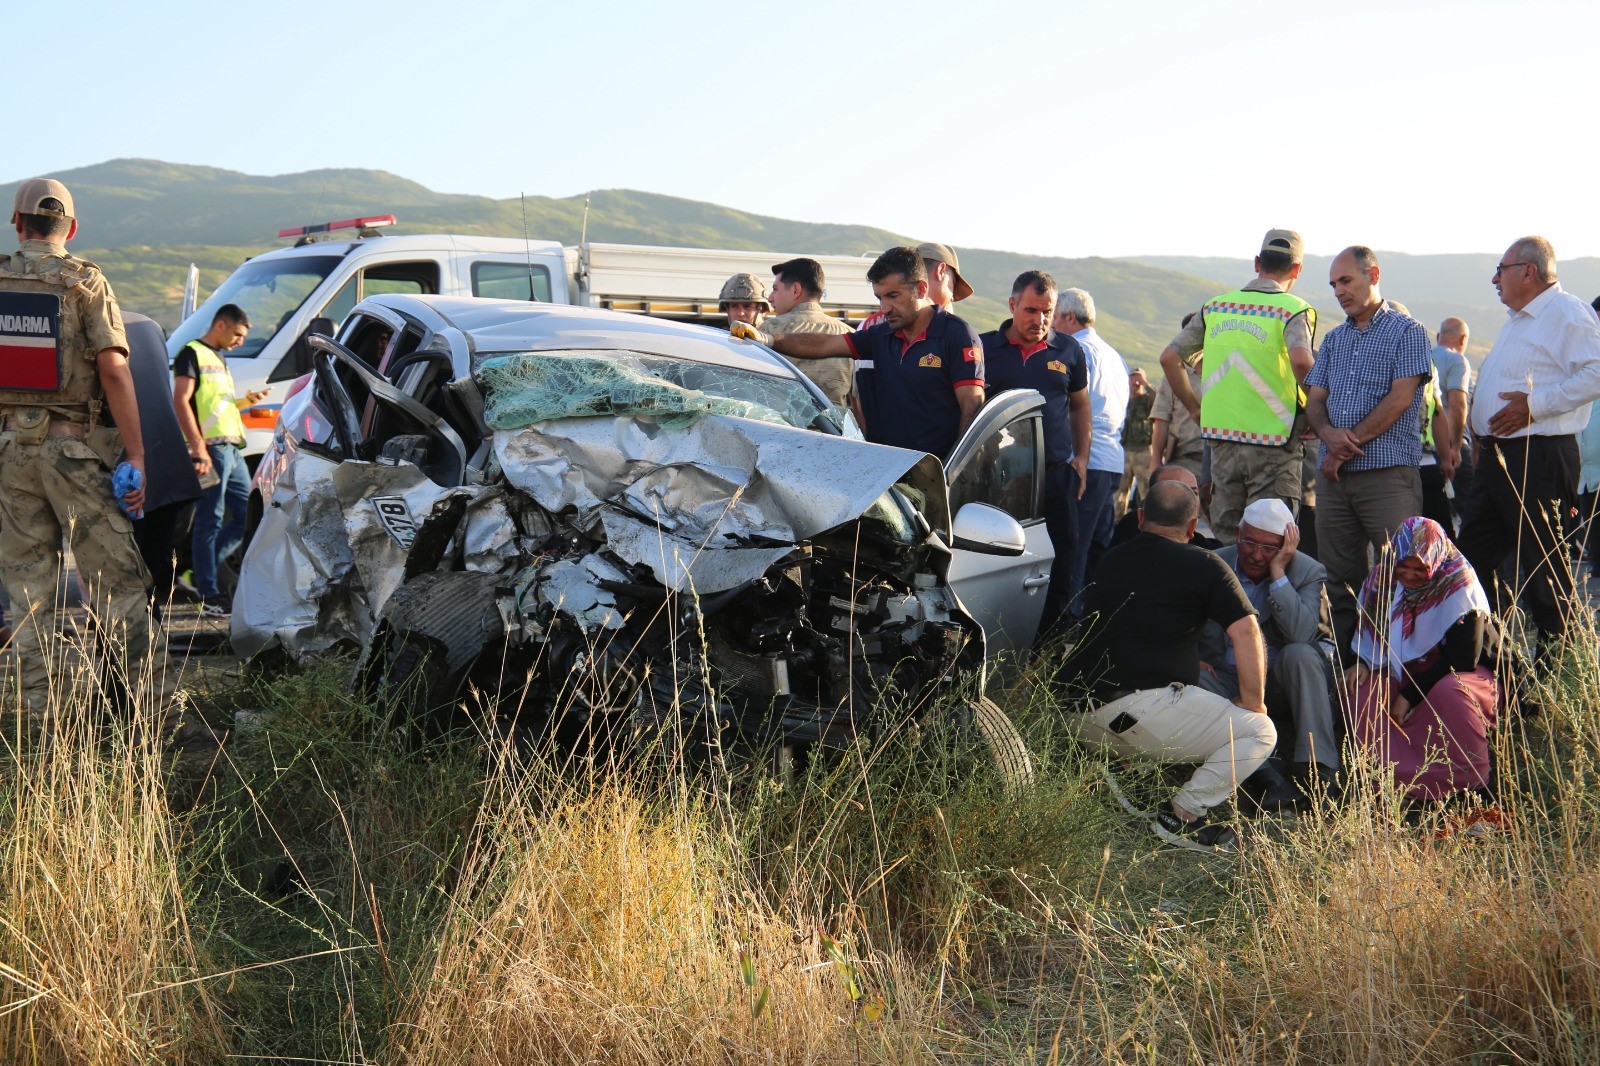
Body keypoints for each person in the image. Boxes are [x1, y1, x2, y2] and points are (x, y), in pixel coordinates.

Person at [0, 178, 176, 732]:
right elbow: (115, 369)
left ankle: (38, 730)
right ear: (70, 229)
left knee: (29, 594)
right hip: (72, 451)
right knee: (118, 584)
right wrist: (139, 455)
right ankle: (151, 721)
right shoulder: (84, 283)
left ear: (16, 221)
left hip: (9, 452)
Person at [1062, 480, 1274, 852]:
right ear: (1193, 528)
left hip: (1074, 717)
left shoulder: (1111, 558)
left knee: (1172, 702)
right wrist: (1253, 702)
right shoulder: (1205, 563)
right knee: (1260, 732)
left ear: (1141, 518)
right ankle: (1183, 815)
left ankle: (1125, 775)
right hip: (1140, 712)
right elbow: (1246, 631)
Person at [1457, 237, 1600, 648]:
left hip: (1539, 455)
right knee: (1471, 562)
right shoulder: (1518, 319)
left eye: (1500, 269)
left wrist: (1535, 406)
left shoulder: (1566, 312)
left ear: (1528, 271)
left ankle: (1557, 668)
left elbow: (1594, 373)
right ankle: (1502, 659)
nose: (1494, 279)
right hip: (1499, 458)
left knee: (1544, 572)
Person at [1304, 247, 1434, 653]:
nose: (1338, 291)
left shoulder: (1407, 332)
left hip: (1387, 477)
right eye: (1333, 285)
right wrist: (1327, 435)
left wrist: (1345, 445)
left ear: (1373, 274)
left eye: (1346, 281)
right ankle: (1348, 680)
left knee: (1401, 579)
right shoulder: (1334, 339)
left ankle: (1399, 676)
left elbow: (1400, 399)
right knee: (1339, 584)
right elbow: (1314, 401)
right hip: (1335, 482)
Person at [1157, 229, 1317, 546]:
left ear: (1257, 262)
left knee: (1230, 542)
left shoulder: (1215, 307)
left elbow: (1169, 358)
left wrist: (1193, 407)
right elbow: (1301, 361)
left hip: (1222, 444)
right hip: (1275, 445)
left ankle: (1229, 595)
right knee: (1271, 540)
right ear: (1297, 269)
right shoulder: (1292, 309)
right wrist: (1314, 413)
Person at [748, 246, 984, 458]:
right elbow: (822, 344)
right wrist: (767, 339)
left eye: (893, 296)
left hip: (937, 470)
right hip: (890, 469)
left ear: (921, 289)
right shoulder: (880, 336)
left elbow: (971, 407)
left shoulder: (957, 334)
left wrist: (954, 470)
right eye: (879, 297)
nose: (885, 308)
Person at [1343, 517, 1499, 802]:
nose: (1410, 575)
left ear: (1435, 560)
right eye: (1403, 565)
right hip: (1402, 671)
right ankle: (1385, 785)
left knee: (1451, 693)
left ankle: (1468, 786)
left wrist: (1410, 693)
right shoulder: (1383, 579)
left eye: (1420, 568)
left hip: (1460, 674)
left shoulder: (1458, 581)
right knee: (1362, 691)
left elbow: (1464, 658)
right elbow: (1365, 636)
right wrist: (1360, 662)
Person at [1197, 498, 1339, 806]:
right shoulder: (1213, 562)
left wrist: (1279, 574)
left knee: (1302, 654)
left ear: (1287, 546)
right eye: (1250, 543)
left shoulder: (1307, 571)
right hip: (1223, 681)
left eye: (1270, 548)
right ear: (1237, 534)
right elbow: (1184, 620)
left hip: (1274, 684)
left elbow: (1302, 634)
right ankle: (1266, 775)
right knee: (1191, 672)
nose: (1258, 555)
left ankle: (1318, 769)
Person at [980, 271, 1090, 636]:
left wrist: (1082, 459)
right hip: (1000, 479)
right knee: (1000, 558)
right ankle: (997, 634)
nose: (1039, 320)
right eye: (1030, 310)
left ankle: (1050, 644)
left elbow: (1079, 406)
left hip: (1055, 476)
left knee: (1062, 559)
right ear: (1012, 305)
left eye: (1047, 311)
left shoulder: (1070, 351)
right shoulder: (984, 349)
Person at [173, 303, 265, 618]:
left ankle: (202, 573)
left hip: (232, 450)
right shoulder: (192, 353)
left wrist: (244, 401)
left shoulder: (219, 357)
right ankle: (209, 594)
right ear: (221, 325)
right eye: (238, 334)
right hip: (210, 450)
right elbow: (181, 401)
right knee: (210, 519)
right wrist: (197, 447)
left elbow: (215, 405)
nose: (240, 341)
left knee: (244, 515)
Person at [1054, 288, 1129, 612]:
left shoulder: (1074, 351)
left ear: (1070, 317)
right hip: (1111, 460)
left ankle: (1067, 622)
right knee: (1099, 547)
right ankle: (1094, 620)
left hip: (1086, 460)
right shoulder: (1114, 355)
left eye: (1054, 317)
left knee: (1074, 546)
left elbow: (1074, 409)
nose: (1051, 325)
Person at [125, 312, 202, 620]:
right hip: (170, 468)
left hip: (134, 471)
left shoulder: (104, 332)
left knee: (126, 581)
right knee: (150, 577)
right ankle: (149, 659)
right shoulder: (150, 326)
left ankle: (122, 663)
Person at [756, 258, 855, 408]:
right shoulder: (849, 335)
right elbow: (858, 402)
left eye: (776, 289)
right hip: (834, 430)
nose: (770, 297)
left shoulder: (768, 330)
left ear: (796, 290)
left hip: (780, 429)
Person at [1150, 314, 1204, 479]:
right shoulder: (1174, 375)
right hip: (1183, 458)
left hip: (1218, 458)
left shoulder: (1222, 371)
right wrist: (1155, 461)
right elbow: (1161, 419)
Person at [1432, 317, 1475, 518]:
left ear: (1438, 336)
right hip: (1448, 442)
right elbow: (1457, 406)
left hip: (1424, 445)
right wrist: (1456, 448)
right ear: (1463, 338)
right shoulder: (1457, 360)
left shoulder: (1424, 356)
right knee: (1472, 508)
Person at [1115, 368, 1154, 519]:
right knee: (1119, 492)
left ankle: (1147, 523)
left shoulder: (1148, 400)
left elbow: (1161, 399)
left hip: (1143, 451)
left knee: (1146, 490)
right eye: (1133, 378)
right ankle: (1118, 525)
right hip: (1123, 451)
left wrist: (1146, 383)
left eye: (1139, 379)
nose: (1135, 382)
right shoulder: (1122, 400)